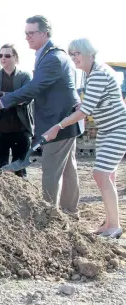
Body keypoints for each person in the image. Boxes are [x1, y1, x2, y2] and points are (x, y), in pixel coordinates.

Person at [0, 15, 82, 218]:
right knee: (68, 169)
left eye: (31, 33)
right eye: (25, 33)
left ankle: (48, 217)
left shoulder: (52, 58)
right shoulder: (50, 54)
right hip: (66, 120)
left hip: (58, 122)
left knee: (51, 171)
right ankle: (70, 211)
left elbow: (34, 88)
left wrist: (1, 102)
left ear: (44, 33)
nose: (26, 37)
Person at [43, 38, 126, 238]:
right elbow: (96, 103)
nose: (74, 58)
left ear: (89, 53)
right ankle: (108, 223)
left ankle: (114, 226)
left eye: (77, 53)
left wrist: (58, 126)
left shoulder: (98, 74)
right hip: (106, 130)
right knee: (108, 176)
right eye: (71, 54)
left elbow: (85, 111)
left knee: (101, 175)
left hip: (117, 129)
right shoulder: (93, 73)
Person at [0, 43, 33, 178]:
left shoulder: (25, 77)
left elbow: (25, 99)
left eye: (7, 55)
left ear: (15, 58)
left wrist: (0, 95)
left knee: (20, 171)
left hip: (20, 130)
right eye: (0, 55)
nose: (3, 58)